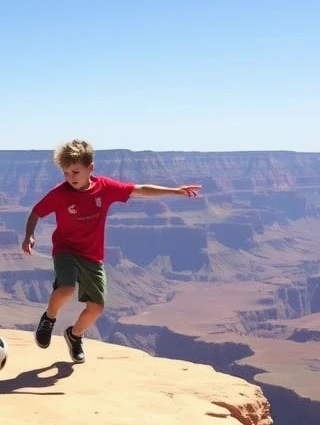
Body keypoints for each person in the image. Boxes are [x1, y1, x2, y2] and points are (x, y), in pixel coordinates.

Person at [22, 139, 201, 363]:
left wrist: (175, 191)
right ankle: (49, 319)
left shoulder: (104, 188)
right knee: (66, 289)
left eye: (75, 172)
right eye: (66, 173)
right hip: (65, 249)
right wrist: (29, 235)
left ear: (90, 168)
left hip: (92, 255)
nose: (71, 177)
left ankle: (74, 335)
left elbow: (140, 189)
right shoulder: (60, 193)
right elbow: (36, 213)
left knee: (96, 307)